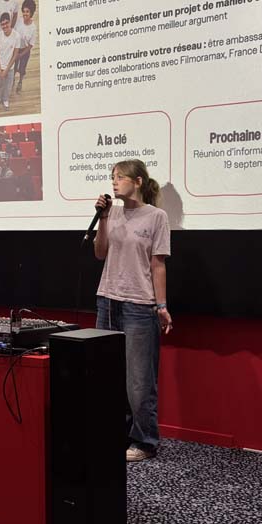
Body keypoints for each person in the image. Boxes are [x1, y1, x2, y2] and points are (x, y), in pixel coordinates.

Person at [94, 159, 172, 462]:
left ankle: (144, 440)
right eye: (112, 177)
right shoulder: (110, 213)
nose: (114, 182)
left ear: (138, 181)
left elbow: (158, 265)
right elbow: (100, 253)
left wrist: (161, 305)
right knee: (108, 374)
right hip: (107, 300)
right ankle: (119, 433)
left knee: (139, 379)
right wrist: (101, 219)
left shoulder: (156, 216)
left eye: (120, 177)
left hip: (139, 304)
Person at [0, 11, 19, 109]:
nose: (4, 26)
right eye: (2, 24)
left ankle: (5, 99)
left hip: (10, 67)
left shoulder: (16, 36)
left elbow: (15, 55)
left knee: (8, 86)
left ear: (10, 22)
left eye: (6, 23)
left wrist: (7, 69)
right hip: (0, 66)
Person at [14, 0, 36, 93]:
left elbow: (31, 45)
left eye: (27, 11)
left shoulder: (33, 28)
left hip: (25, 51)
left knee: (22, 68)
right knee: (14, 67)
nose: (25, 13)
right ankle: (12, 81)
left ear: (31, 13)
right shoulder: (19, 21)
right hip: (16, 49)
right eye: (24, 11)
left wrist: (21, 54)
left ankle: (20, 82)